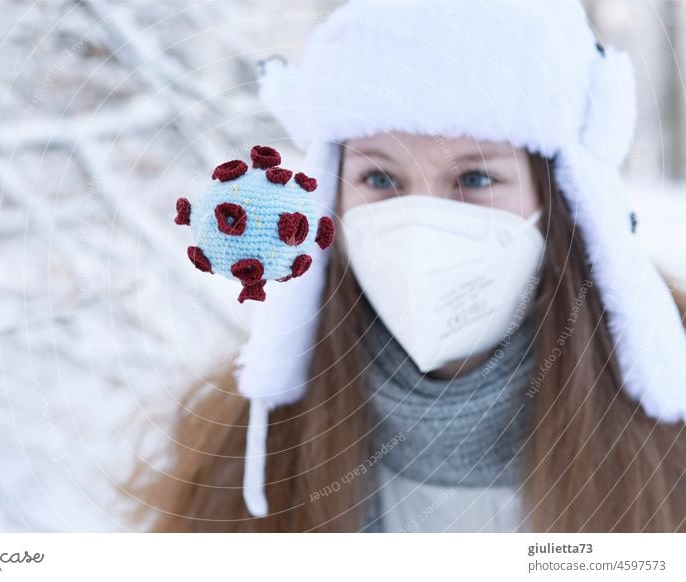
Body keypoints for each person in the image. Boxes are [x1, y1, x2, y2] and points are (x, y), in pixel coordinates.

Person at [123, 0, 686, 532]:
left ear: (563, 198)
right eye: (381, 178)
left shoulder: (670, 435)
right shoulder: (249, 441)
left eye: (474, 178)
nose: (421, 222)